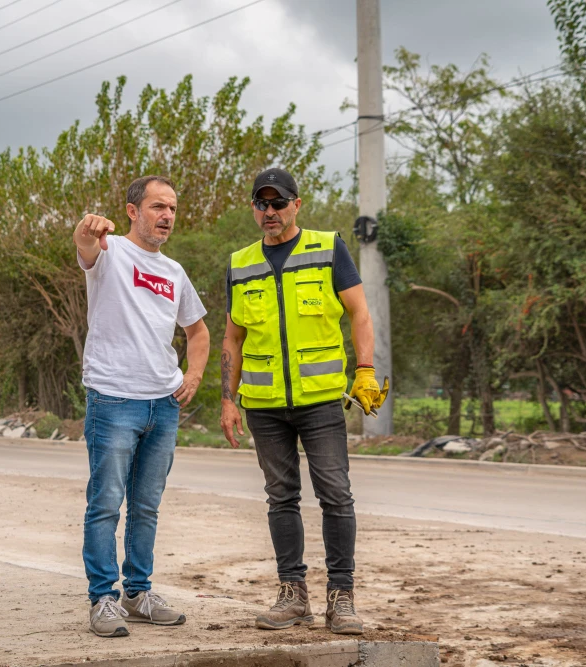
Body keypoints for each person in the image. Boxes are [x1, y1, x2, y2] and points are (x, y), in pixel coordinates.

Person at [218, 168, 389, 635]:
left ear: (297, 203)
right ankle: (293, 596)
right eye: (261, 204)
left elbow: (359, 313)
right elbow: (232, 337)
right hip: (264, 405)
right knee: (281, 497)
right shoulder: (240, 263)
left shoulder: (328, 248)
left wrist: (366, 370)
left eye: (278, 203)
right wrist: (227, 400)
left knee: (336, 494)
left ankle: (342, 599)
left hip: (319, 402)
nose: (269, 212)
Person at [73, 175, 209, 638]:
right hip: (113, 398)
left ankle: (137, 593)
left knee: (146, 506)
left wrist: (192, 375)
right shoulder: (109, 253)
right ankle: (103, 600)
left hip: (163, 403)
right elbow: (85, 244)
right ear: (133, 211)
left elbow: (198, 331)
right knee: (106, 502)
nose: (167, 215)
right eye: (157, 206)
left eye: (171, 208)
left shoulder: (173, 272)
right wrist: (87, 229)